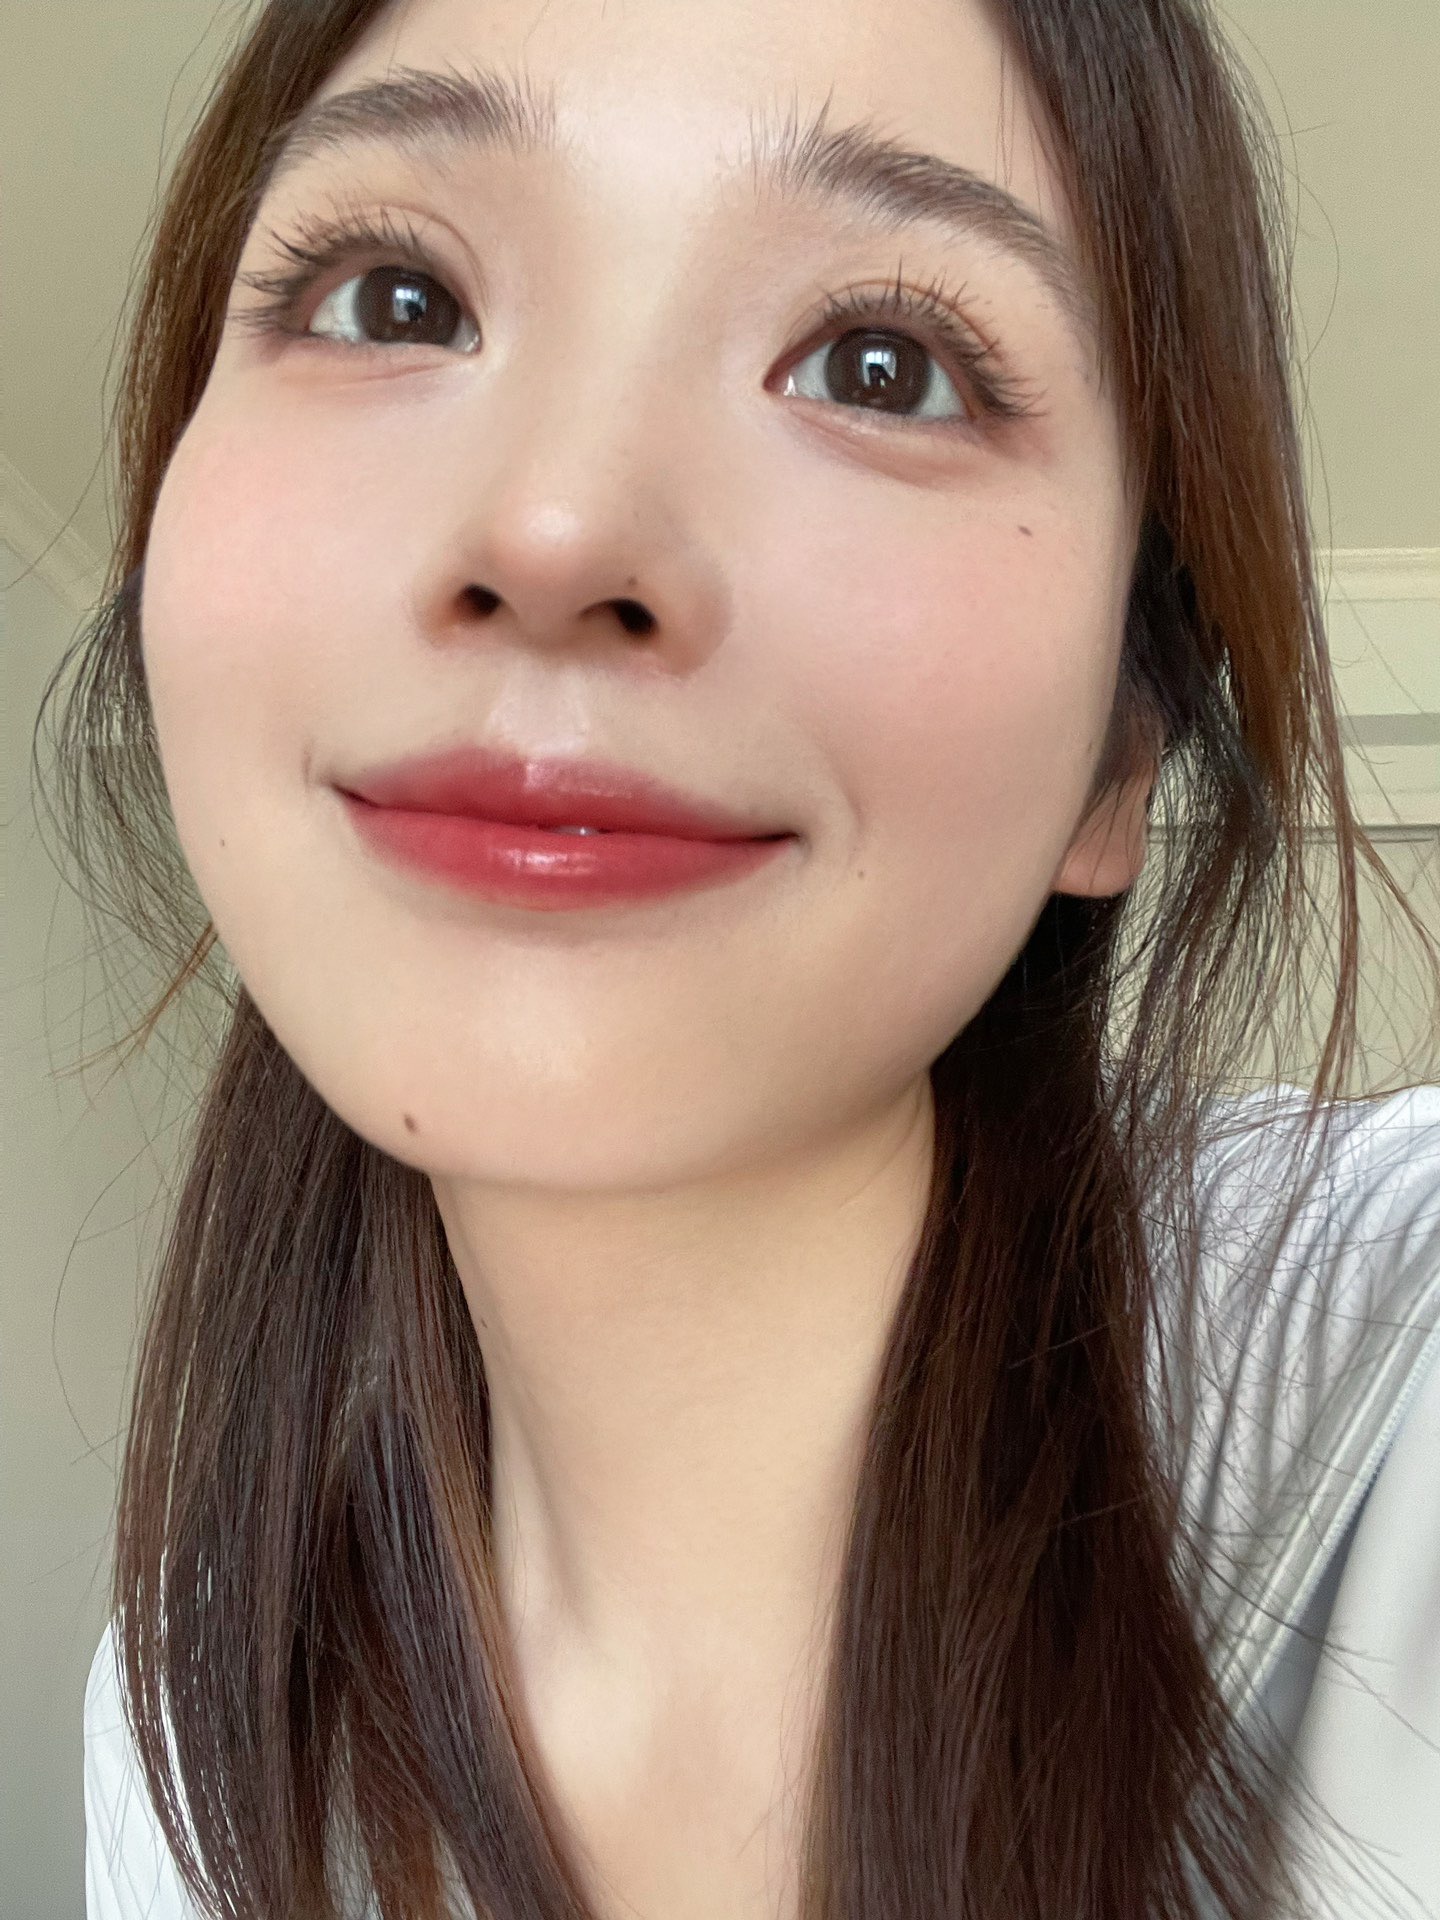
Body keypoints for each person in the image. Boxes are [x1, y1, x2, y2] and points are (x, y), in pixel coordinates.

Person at [48, 0, 1439, 1915]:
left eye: (883, 365)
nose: (555, 528)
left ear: (1122, 754)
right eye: (393, 299)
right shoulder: (179, 1724)